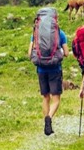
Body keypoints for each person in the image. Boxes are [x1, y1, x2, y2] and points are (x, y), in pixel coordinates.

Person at [28, 7, 69, 136]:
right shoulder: (60, 34)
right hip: (55, 69)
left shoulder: (35, 34)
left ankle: (46, 122)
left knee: (45, 97)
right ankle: (49, 118)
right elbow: (66, 53)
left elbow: (29, 53)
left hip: (41, 69)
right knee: (56, 99)